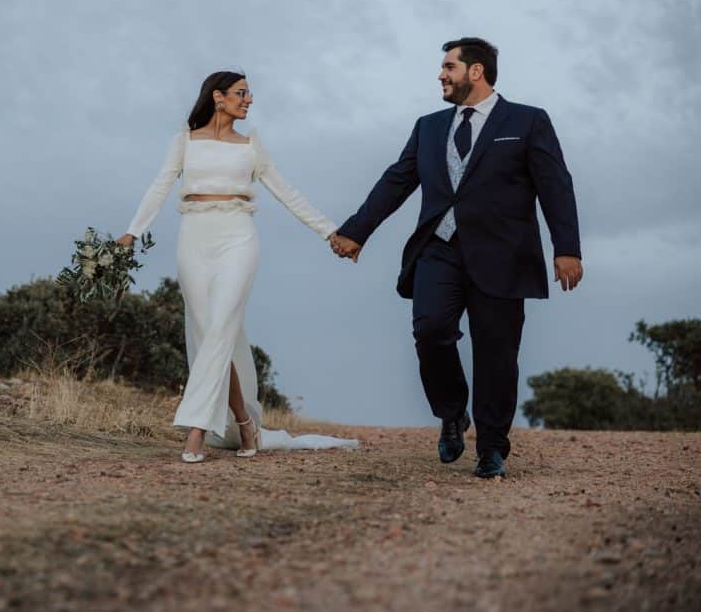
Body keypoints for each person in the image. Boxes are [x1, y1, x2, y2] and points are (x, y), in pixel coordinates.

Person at [330, 38, 583, 478]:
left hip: (503, 256)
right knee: (430, 329)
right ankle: (452, 413)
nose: (441, 75)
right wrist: (356, 230)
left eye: (449, 66)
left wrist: (567, 248)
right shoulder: (428, 127)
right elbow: (397, 181)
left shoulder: (527, 121)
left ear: (476, 71)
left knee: (497, 354)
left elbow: (555, 186)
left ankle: (491, 449)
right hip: (439, 250)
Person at [119, 70, 358, 462]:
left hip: (238, 237)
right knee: (209, 333)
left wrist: (330, 231)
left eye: (249, 94)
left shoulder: (250, 147)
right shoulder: (184, 142)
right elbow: (160, 185)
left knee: (220, 327)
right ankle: (245, 424)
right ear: (218, 97)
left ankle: (195, 430)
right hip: (193, 237)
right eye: (241, 93)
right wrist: (132, 232)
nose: (248, 100)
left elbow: (288, 193)